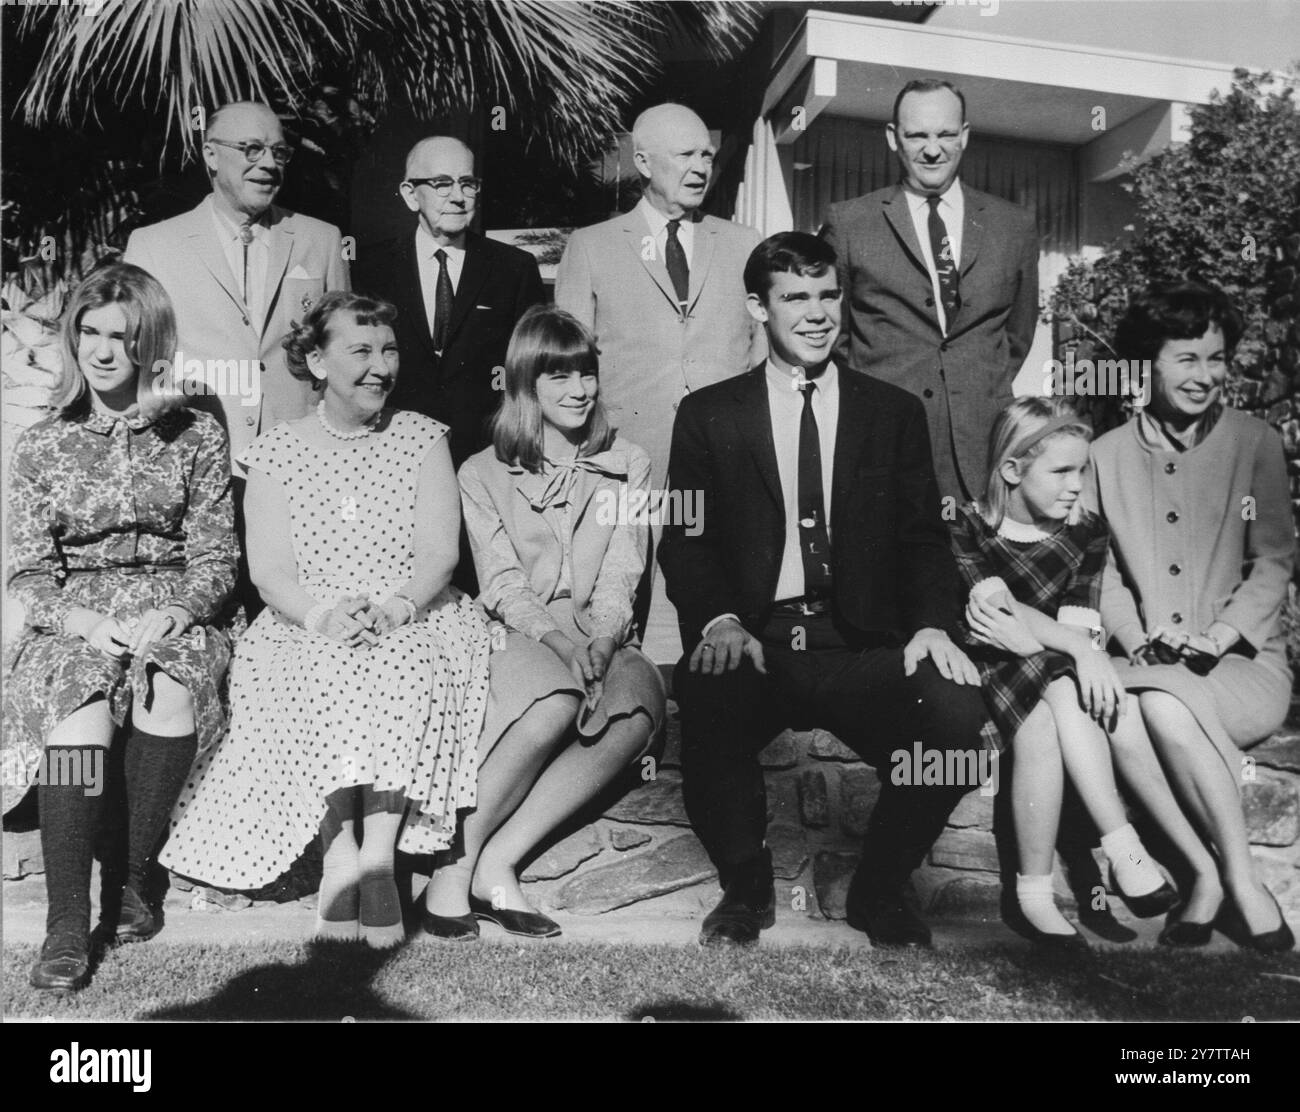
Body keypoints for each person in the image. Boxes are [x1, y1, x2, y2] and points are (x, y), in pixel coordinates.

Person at [659, 232, 986, 948]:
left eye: (828, 294)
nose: (816, 313)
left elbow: (924, 540)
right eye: (795, 297)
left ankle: (880, 890)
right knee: (707, 690)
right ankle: (745, 887)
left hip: (861, 643)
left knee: (959, 723)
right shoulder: (710, 413)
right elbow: (688, 539)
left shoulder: (891, 412)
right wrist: (717, 621)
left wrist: (932, 625)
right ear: (757, 306)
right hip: (760, 641)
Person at [160, 292, 491, 949]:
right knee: (316, 666)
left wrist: (396, 607)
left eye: (389, 350)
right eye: (360, 351)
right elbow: (269, 570)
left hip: (412, 609)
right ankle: (341, 851)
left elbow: (439, 553)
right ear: (316, 360)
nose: (380, 366)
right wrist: (322, 616)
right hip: (304, 616)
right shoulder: (276, 451)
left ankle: (380, 860)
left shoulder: (424, 438)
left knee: (402, 663)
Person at [3, 263, 241, 991]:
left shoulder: (195, 431)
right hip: (78, 615)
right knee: (77, 716)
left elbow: (217, 554)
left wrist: (176, 611)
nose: (104, 350)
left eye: (124, 336)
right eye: (90, 331)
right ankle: (68, 921)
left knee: (168, 685)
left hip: (174, 603)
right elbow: (29, 574)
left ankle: (133, 880)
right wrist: (81, 620)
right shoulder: (43, 443)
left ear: (151, 345)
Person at [419, 306, 666, 941]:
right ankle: (456, 862)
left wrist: (605, 641)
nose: (578, 390)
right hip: (522, 632)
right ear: (525, 384)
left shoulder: (629, 462)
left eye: (586, 373)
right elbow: (500, 582)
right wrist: (559, 642)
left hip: (604, 629)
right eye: (557, 377)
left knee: (635, 707)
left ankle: (500, 862)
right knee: (551, 702)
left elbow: (623, 566)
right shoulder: (480, 471)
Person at [950, 397, 1209, 946]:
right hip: (986, 666)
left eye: (1082, 469)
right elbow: (998, 613)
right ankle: (1121, 849)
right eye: (1061, 470)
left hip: (1047, 671)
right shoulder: (969, 525)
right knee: (1062, 692)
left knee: (1058, 705)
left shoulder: (1085, 531)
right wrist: (1078, 650)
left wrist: (1069, 647)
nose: (1076, 484)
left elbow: (1078, 622)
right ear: (1013, 471)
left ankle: (1039, 894)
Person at [1085, 282, 1295, 952]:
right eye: (1187, 358)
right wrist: (1139, 637)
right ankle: (1210, 873)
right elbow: (1105, 573)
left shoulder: (1253, 442)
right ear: (1147, 362)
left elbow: (1273, 564)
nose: (1205, 375)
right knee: (1127, 706)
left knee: (1164, 709)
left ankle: (1235, 879)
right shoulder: (1106, 455)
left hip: (1243, 665)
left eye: (1216, 358)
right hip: (1147, 658)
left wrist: (1218, 636)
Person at [555, 102, 765, 664]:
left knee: (721, 587)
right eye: (686, 154)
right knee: (627, 590)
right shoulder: (592, 246)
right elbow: (569, 361)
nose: (701, 167)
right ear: (643, 161)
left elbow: (763, 351)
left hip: (726, 451)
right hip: (628, 455)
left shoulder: (746, 245)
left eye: (708, 156)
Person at [821, 78, 1039, 504]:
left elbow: (1017, 334)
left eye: (945, 134)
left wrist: (971, 388)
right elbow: (835, 334)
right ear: (893, 138)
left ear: (965, 136)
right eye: (917, 135)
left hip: (981, 447)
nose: (933, 149)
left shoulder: (1013, 226)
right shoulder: (849, 223)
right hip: (883, 444)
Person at [124, 100, 350, 461]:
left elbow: (342, 352)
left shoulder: (322, 240)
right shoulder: (153, 245)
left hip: (299, 457)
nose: (268, 164)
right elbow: (134, 361)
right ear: (211, 155)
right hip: (191, 455)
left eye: (278, 152)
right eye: (251, 149)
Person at [355, 136, 546, 468]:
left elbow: (530, 369)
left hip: (489, 456)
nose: (458, 197)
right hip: (390, 452)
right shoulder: (371, 270)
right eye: (442, 184)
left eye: (468, 184)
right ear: (410, 195)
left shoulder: (514, 268)